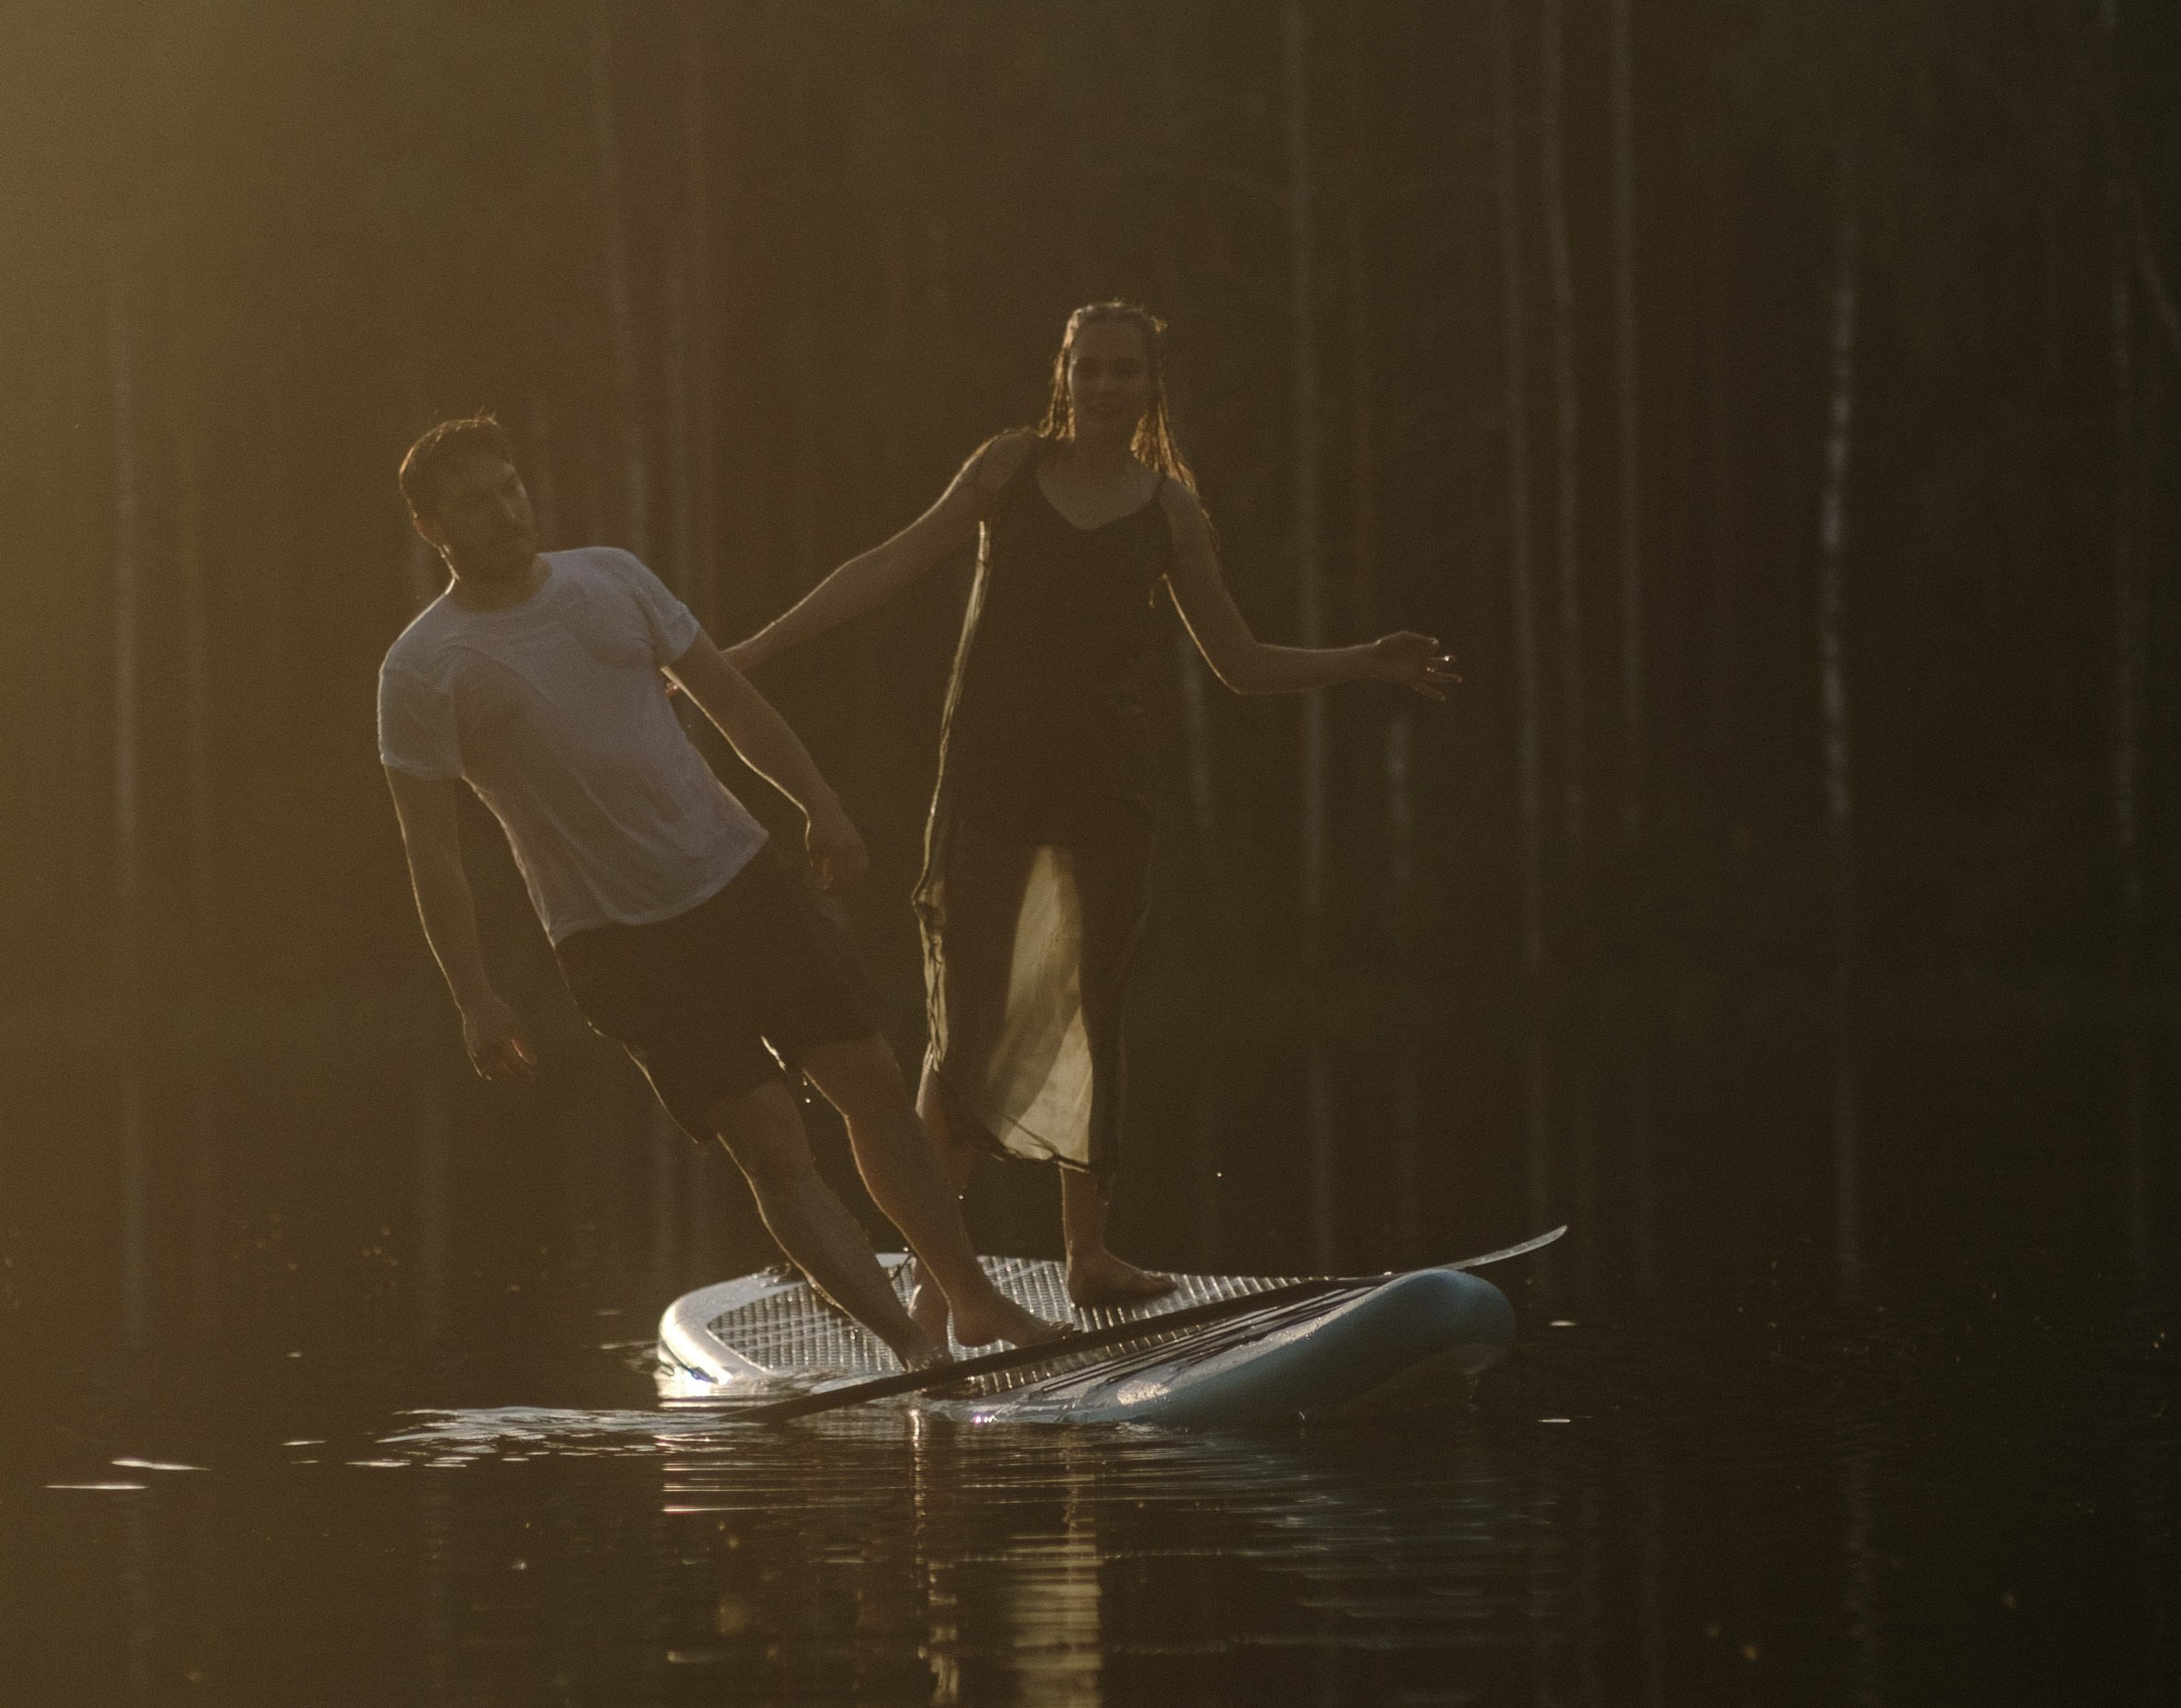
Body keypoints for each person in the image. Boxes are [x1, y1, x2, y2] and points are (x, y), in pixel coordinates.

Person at [724, 303, 1457, 1333]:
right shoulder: (1005, 470)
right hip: (986, 786)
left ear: (1152, 385)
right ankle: (943, 1274)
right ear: (1061, 375)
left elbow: (1239, 665)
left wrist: (1361, 663)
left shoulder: (1172, 512)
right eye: (1090, 369)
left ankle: (1088, 1255)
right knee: (967, 1030)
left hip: (1107, 795)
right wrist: (751, 651)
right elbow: (887, 565)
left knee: (1091, 1010)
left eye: (1126, 372)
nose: (1107, 387)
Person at [377, 415, 1045, 1364]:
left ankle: (970, 1302)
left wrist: (819, 805)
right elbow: (430, 847)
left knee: (873, 1083)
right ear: (431, 528)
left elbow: (729, 700)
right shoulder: (422, 667)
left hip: (739, 876)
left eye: (511, 487)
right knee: (771, 1137)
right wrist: (475, 996)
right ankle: (910, 1347)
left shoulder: (610, 577)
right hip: (614, 940)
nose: (505, 512)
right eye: (475, 503)